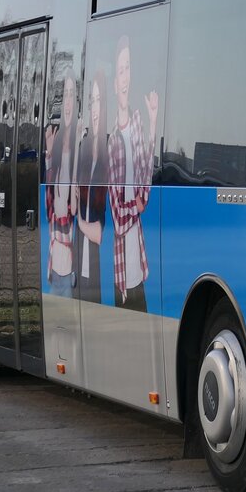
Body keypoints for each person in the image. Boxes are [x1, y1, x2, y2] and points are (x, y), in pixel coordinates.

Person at [107, 35, 157, 312]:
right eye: (121, 70)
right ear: (115, 84)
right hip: (121, 269)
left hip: (137, 258)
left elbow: (147, 175)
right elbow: (117, 216)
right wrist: (137, 205)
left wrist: (152, 123)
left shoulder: (138, 123)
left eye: (128, 69)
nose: (125, 77)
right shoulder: (112, 139)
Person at [75, 69, 108, 304]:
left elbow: (99, 233)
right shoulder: (84, 153)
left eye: (99, 101)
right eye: (92, 102)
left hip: (94, 267)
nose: (94, 110)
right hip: (79, 262)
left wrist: (79, 219)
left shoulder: (109, 153)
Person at [44, 75, 78, 299]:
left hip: (67, 267)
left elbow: (72, 209)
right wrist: (48, 155)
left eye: (72, 95)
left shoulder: (79, 138)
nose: (67, 100)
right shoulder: (55, 140)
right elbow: (51, 208)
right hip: (54, 264)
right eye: (64, 94)